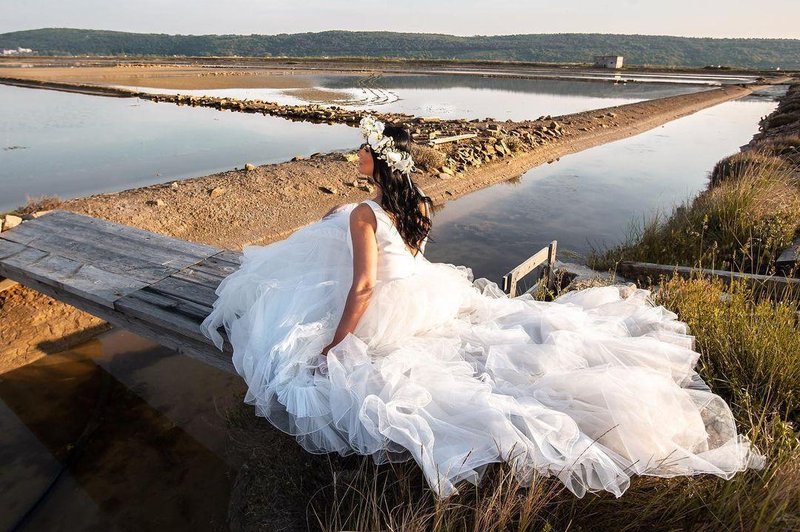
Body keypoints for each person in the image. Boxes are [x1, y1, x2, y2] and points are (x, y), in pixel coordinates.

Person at [200, 115, 764, 499]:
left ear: (378, 158)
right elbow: (408, 257)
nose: (358, 152)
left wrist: (335, 343)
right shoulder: (416, 201)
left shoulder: (363, 214)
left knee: (306, 346)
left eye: (364, 146)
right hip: (428, 295)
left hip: (390, 306)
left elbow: (365, 288)